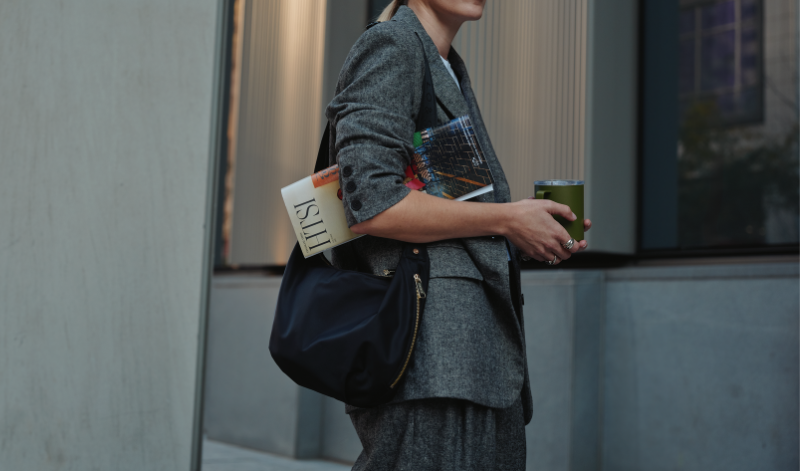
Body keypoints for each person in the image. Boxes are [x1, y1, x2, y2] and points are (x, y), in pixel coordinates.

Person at [325, 1, 592, 469]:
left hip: (474, 360)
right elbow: (372, 202)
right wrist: (507, 219)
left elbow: (454, 214)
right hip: (431, 360)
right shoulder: (393, 46)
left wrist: (526, 234)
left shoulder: (442, 66)